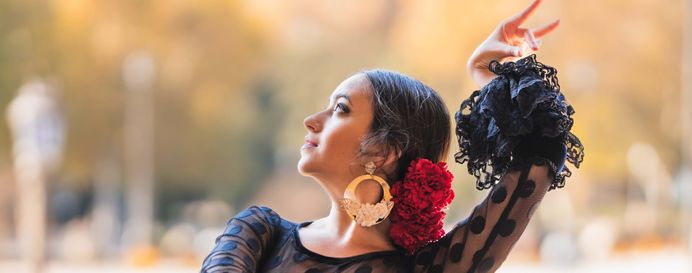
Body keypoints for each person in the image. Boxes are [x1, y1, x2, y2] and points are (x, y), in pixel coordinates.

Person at [200, 1, 582, 272]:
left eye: (340, 109)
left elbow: (537, 163)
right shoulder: (258, 231)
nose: (311, 121)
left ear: (383, 151)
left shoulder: (433, 267)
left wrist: (489, 75)